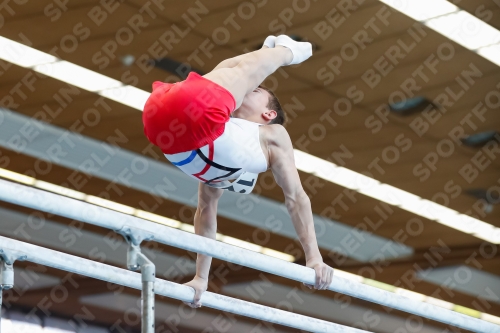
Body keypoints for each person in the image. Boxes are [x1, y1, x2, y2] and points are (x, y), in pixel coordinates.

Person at [142, 35, 334, 308]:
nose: (250, 89)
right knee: (227, 72)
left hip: (172, 130)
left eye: (256, 92)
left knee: (239, 70)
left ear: (268, 114)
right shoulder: (225, 135)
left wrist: (313, 257)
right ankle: (270, 52)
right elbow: (204, 213)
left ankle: (286, 52)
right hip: (175, 119)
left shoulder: (273, 133)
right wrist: (200, 277)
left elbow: (296, 197)